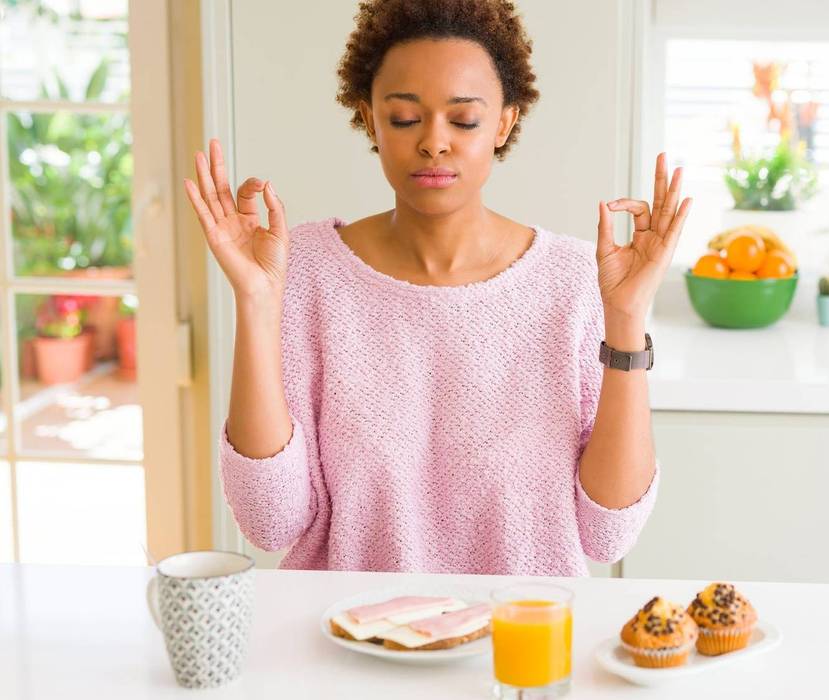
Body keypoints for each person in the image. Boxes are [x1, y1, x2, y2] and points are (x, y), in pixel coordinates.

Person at [182, 0, 691, 575]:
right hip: (345, 644)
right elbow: (270, 522)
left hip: (520, 645)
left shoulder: (577, 283)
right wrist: (255, 300)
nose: (433, 142)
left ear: (504, 121)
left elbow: (609, 533)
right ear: (370, 119)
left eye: (464, 120)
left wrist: (625, 318)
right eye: (404, 118)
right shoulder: (304, 271)